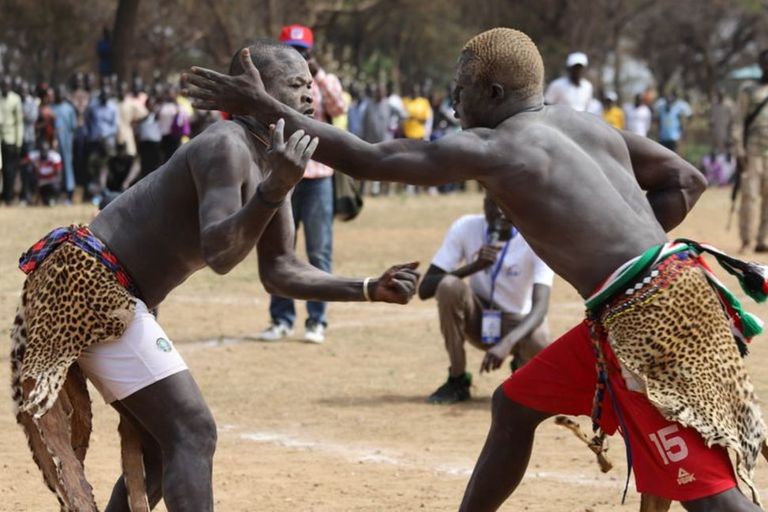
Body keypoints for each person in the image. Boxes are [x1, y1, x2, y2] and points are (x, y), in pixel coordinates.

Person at [187, 28, 767, 510]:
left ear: (492, 91)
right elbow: (686, 179)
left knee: (710, 489)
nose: (454, 103)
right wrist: (624, 246)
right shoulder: (582, 124)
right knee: (514, 404)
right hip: (655, 293)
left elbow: (367, 158)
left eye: (461, 91)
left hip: (650, 317)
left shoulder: (497, 147)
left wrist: (264, 106)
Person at [12, 40, 419, 512]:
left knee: (167, 448)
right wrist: (272, 190)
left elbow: (281, 269)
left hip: (104, 287)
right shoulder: (224, 144)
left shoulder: (273, 157)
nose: (311, 95)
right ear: (254, 90)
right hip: (88, 282)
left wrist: (369, 287)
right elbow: (220, 253)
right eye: (296, 84)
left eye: (311, 84)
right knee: (192, 431)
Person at [257, 24, 347, 344]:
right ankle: (281, 319)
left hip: (318, 177)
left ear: (311, 52)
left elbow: (339, 108)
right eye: (291, 50)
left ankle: (316, 321)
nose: (298, 56)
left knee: (318, 252)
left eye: (302, 51)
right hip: (283, 177)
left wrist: (318, 76)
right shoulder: (271, 82)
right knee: (279, 251)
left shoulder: (326, 81)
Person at [418, 193, 553, 404]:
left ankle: (522, 371)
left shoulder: (536, 239)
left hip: (515, 324)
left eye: (505, 204)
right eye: (493, 203)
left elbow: (540, 307)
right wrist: (474, 266)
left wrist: (506, 343)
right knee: (448, 286)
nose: (499, 211)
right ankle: (457, 379)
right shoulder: (465, 227)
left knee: (540, 336)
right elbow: (425, 289)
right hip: (478, 317)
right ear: (484, 204)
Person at [734, 49, 768, 254]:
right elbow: (738, 121)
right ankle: (747, 240)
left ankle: (762, 240)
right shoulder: (748, 90)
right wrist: (739, 149)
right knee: (750, 198)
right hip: (752, 153)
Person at [52, 85, 78, 202]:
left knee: (67, 165)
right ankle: (55, 193)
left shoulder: (69, 109)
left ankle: (69, 193)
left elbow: (73, 126)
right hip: (53, 143)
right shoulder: (51, 108)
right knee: (55, 167)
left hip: (67, 141)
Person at [1, 77, 24, 205]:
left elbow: (19, 122)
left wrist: (18, 142)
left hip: (10, 139)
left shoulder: (15, 99)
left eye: (7, 85)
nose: (5, 87)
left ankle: (8, 198)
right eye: (3, 85)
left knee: (9, 170)